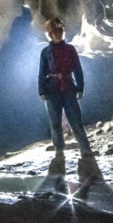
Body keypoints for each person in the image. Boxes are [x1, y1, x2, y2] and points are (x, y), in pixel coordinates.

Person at [38, 17, 99, 181]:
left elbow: (77, 69)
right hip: (52, 89)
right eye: (54, 32)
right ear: (50, 34)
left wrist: (80, 87)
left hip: (68, 88)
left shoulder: (70, 50)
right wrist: (42, 90)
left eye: (59, 31)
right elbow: (42, 71)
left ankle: (85, 149)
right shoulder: (45, 52)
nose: (57, 34)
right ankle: (59, 150)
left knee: (75, 120)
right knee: (55, 122)